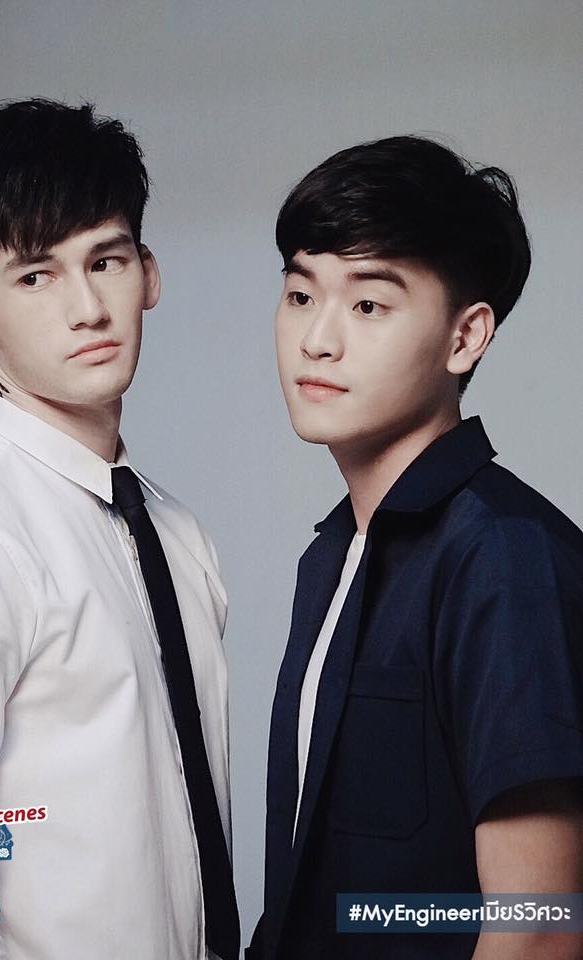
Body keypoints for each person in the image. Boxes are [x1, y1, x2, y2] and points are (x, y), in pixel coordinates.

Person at [0, 98, 239, 960]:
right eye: (35, 276)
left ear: (149, 274)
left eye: (106, 261)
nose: (88, 307)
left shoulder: (175, 534)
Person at [247, 136, 583, 960]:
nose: (317, 339)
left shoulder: (502, 557)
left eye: (368, 305)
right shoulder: (332, 558)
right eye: (300, 294)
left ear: (465, 338)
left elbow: (538, 930)